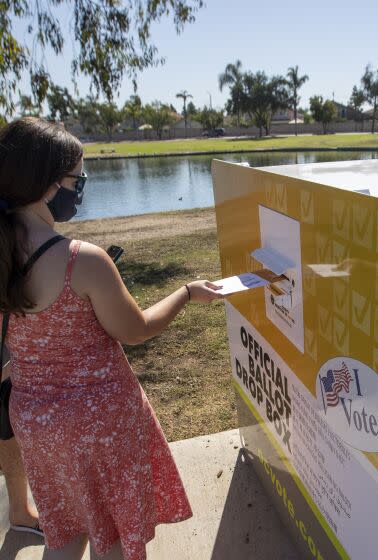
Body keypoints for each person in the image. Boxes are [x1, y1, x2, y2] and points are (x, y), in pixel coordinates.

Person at [0, 117, 224, 560]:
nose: (81, 186)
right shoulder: (81, 261)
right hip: (99, 426)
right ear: (48, 185)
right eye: (76, 178)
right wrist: (184, 293)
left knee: (64, 533)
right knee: (114, 539)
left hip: (35, 422)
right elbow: (136, 330)